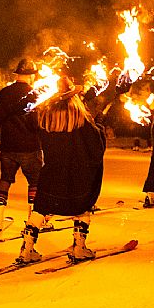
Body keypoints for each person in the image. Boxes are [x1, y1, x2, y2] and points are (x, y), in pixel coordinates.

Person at [16, 78, 106, 263]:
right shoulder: (81, 119)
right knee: (83, 206)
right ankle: (79, 247)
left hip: (51, 173)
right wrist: (100, 128)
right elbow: (96, 148)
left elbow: (29, 121)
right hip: (78, 174)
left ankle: (27, 249)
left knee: (40, 209)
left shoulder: (45, 118)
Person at [0, 59, 43, 238]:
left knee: (5, 179)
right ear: (32, 75)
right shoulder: (36, 94)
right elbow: (36, 124)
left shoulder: (2, 93)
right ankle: (33, 222)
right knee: (35, 183)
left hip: (8, 146)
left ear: (17, 74)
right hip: (30, 146)